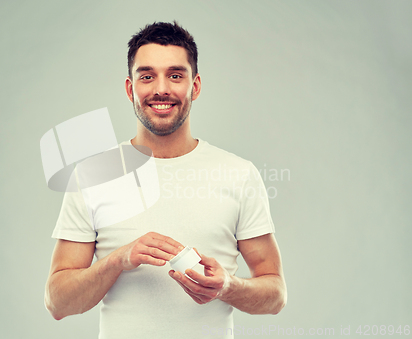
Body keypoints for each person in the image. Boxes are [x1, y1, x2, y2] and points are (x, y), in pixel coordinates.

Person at [45, 21, 287, 339]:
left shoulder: (239, 174)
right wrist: (117, 259)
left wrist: (228, 286)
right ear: (131, 88)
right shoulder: (94, 175)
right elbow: (58, 302)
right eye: (147, 76)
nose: (161, 89)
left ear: (195, 86)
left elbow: (275, 295)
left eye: (175, 75)